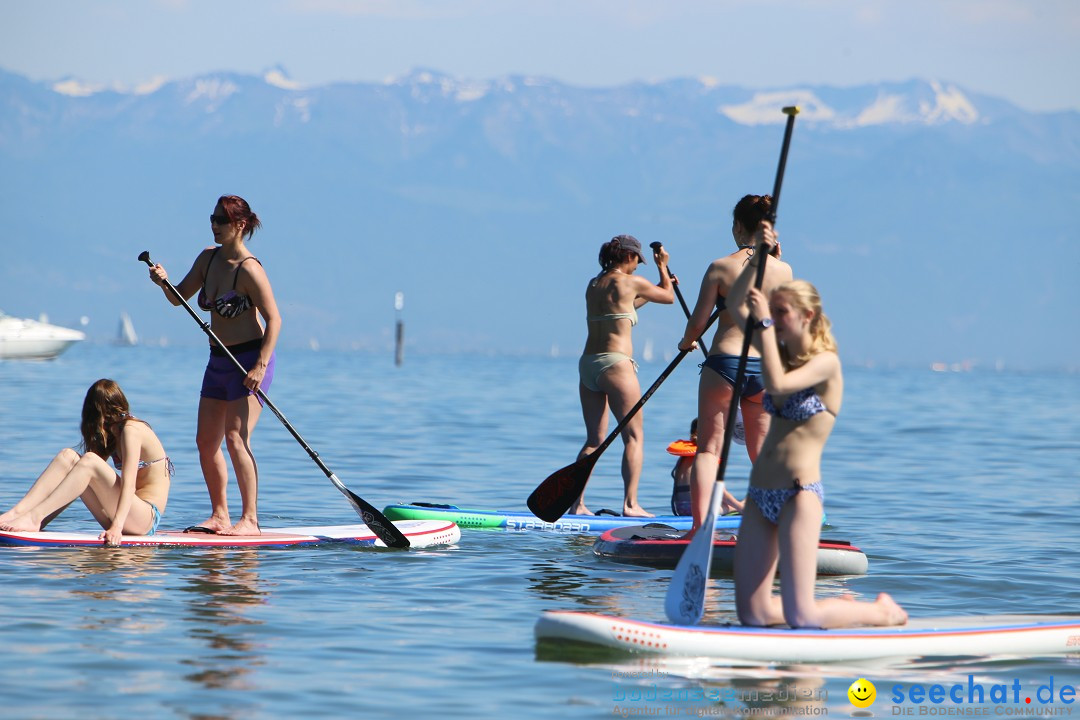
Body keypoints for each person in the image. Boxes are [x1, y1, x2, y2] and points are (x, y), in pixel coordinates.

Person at [726, 221, 906, 628]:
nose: (774, 319)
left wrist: (765, 329)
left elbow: (777, 384)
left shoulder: (826, 364)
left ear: (807, 316)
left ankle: (878, 611)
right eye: (772, 313)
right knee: (752, 614)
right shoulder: (778, 351)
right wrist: (759, 256)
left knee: (801, 614)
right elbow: (737, 305)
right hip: (760, 495)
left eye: (782, 313)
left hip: (797, 495)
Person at [148, 194, 281, 536]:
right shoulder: (208, 259)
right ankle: (220, 515)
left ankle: (250, 519)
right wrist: (163, 282)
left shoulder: (249, 269)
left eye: (221, 219)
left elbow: (275, 320)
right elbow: (180, 298)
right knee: (206, 442)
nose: (214, 224)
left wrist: (260, 367)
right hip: (218, 359)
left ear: (239, 225)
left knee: (235, 437)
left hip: (250, 360)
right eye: (212, 217)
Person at [678, 195, 792, 535]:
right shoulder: (784, 270)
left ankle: (700, 530)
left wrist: (687, 343)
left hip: (724, 364)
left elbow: (698, 323)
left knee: (709, 450)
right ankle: (774, 524)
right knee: (762, 454)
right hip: (763, 367)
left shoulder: (720, 267)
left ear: (739, 227)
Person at [0, 379, 172, 546]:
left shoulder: (131, 430)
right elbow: (79, 477)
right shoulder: (114, 433)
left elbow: (129, 485)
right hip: (125, 514)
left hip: (144, 519)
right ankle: (17, 514)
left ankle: (34, 518)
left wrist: (117, 528)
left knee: (89, 461)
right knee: (68, 457)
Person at [573, 235, 674, 517]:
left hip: (588, 364)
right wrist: (663, 268)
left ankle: (576, 504)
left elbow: (624, 307)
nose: (637, 268)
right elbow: (668, 297)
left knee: (594, 440)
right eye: (637, 262)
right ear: (629, 257)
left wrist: (651, 292)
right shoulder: (629, 282)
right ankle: (631, 505)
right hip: (617, 365)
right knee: (634, 437)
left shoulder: (594, 284)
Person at [668, 418, 742, 516]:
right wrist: (740, 507)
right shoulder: (707, 458)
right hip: (700, 509)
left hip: (681, 509)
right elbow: (721, 493)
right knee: (738, 505)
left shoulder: (684, 458)